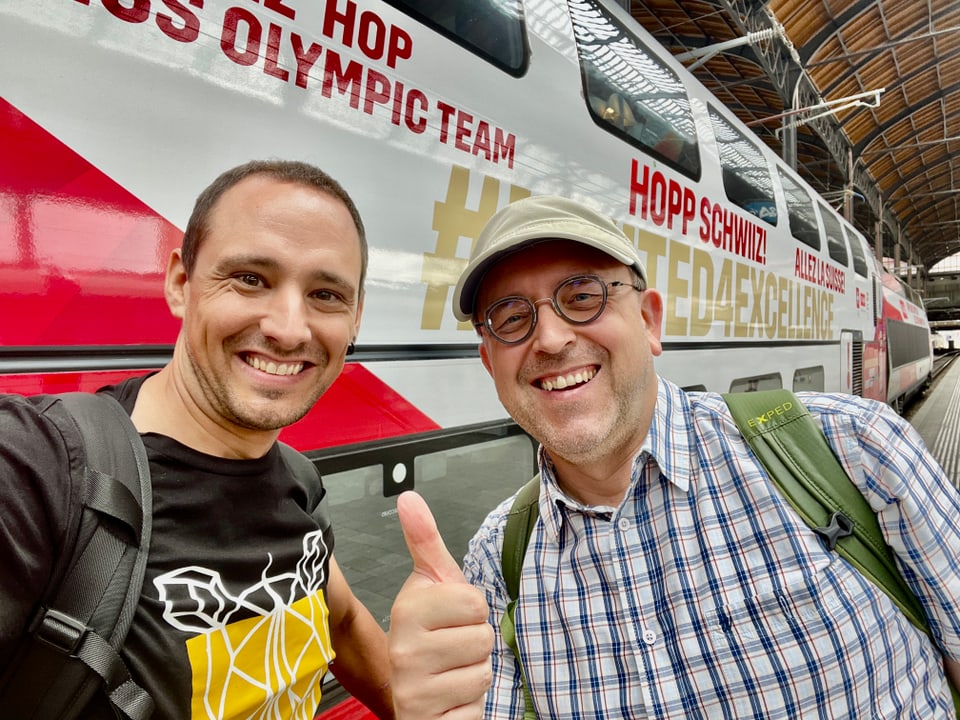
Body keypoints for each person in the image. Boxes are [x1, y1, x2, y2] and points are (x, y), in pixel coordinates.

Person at [387, 194, 960, 718]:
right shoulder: (494, 565)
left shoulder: (854, 447)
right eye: (512, 318)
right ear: (491, 364)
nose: (552, 339)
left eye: (583, 296)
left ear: (649, 321)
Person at [0, 160, 394, 719]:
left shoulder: (297, 479)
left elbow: (345, 619)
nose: (288, 328)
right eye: (251, 278)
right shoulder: (40, 467)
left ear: (355, 319)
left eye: (326, 294)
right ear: (182, 284)